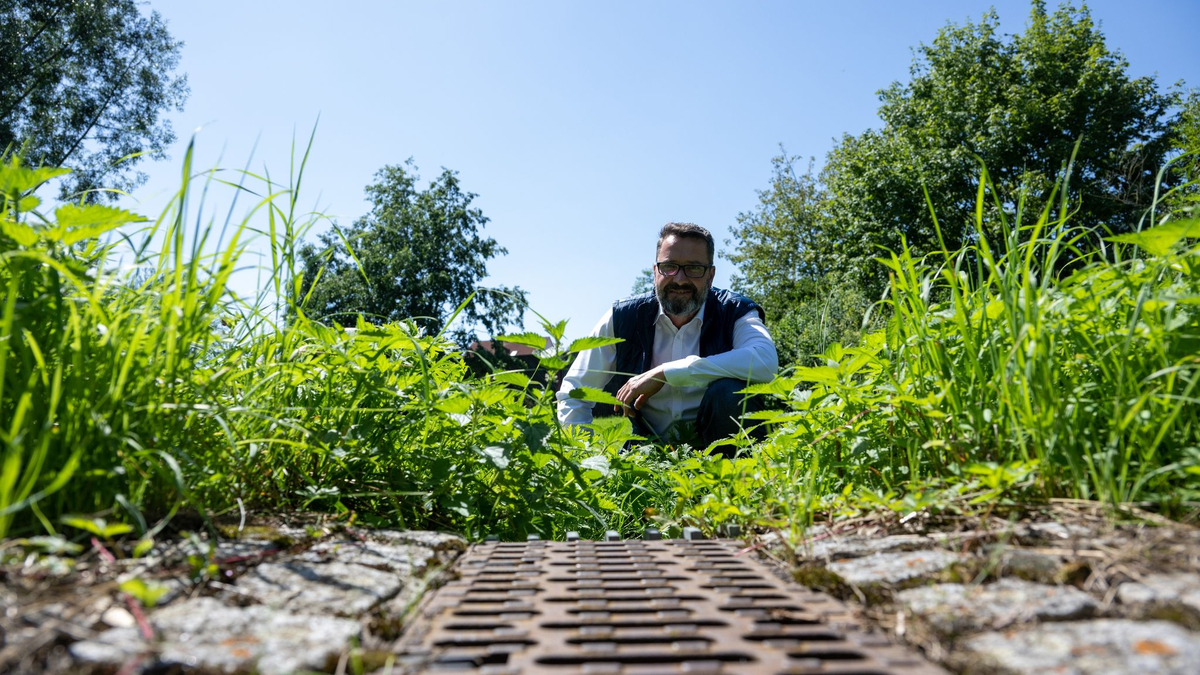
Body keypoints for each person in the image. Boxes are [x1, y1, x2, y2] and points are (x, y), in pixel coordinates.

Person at [556, 222, 778, 450]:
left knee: (729, 392)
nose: (680, 279)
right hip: (646, 451)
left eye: (693, 268)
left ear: (711, 276)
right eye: (669, 266)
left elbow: (765, 361)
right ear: (655, 272)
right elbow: (575, 392)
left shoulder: (734, 311)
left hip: (718, 454)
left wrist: (666, 373)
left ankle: (737, 480)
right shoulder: (622, 317)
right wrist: (583, 458)